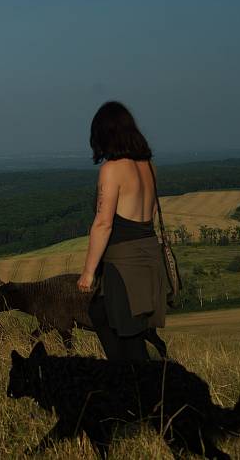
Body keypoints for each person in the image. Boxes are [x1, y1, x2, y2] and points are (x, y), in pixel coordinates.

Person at [77, 101, 170, 362]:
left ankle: (137, 391)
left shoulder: (112, 169)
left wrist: (88, 272)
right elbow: (150, 213)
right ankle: (126, 380)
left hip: (123, 263)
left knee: (130, 339)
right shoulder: (148, 165)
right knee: (102, 314)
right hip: (149, 256)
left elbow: (103, 223)